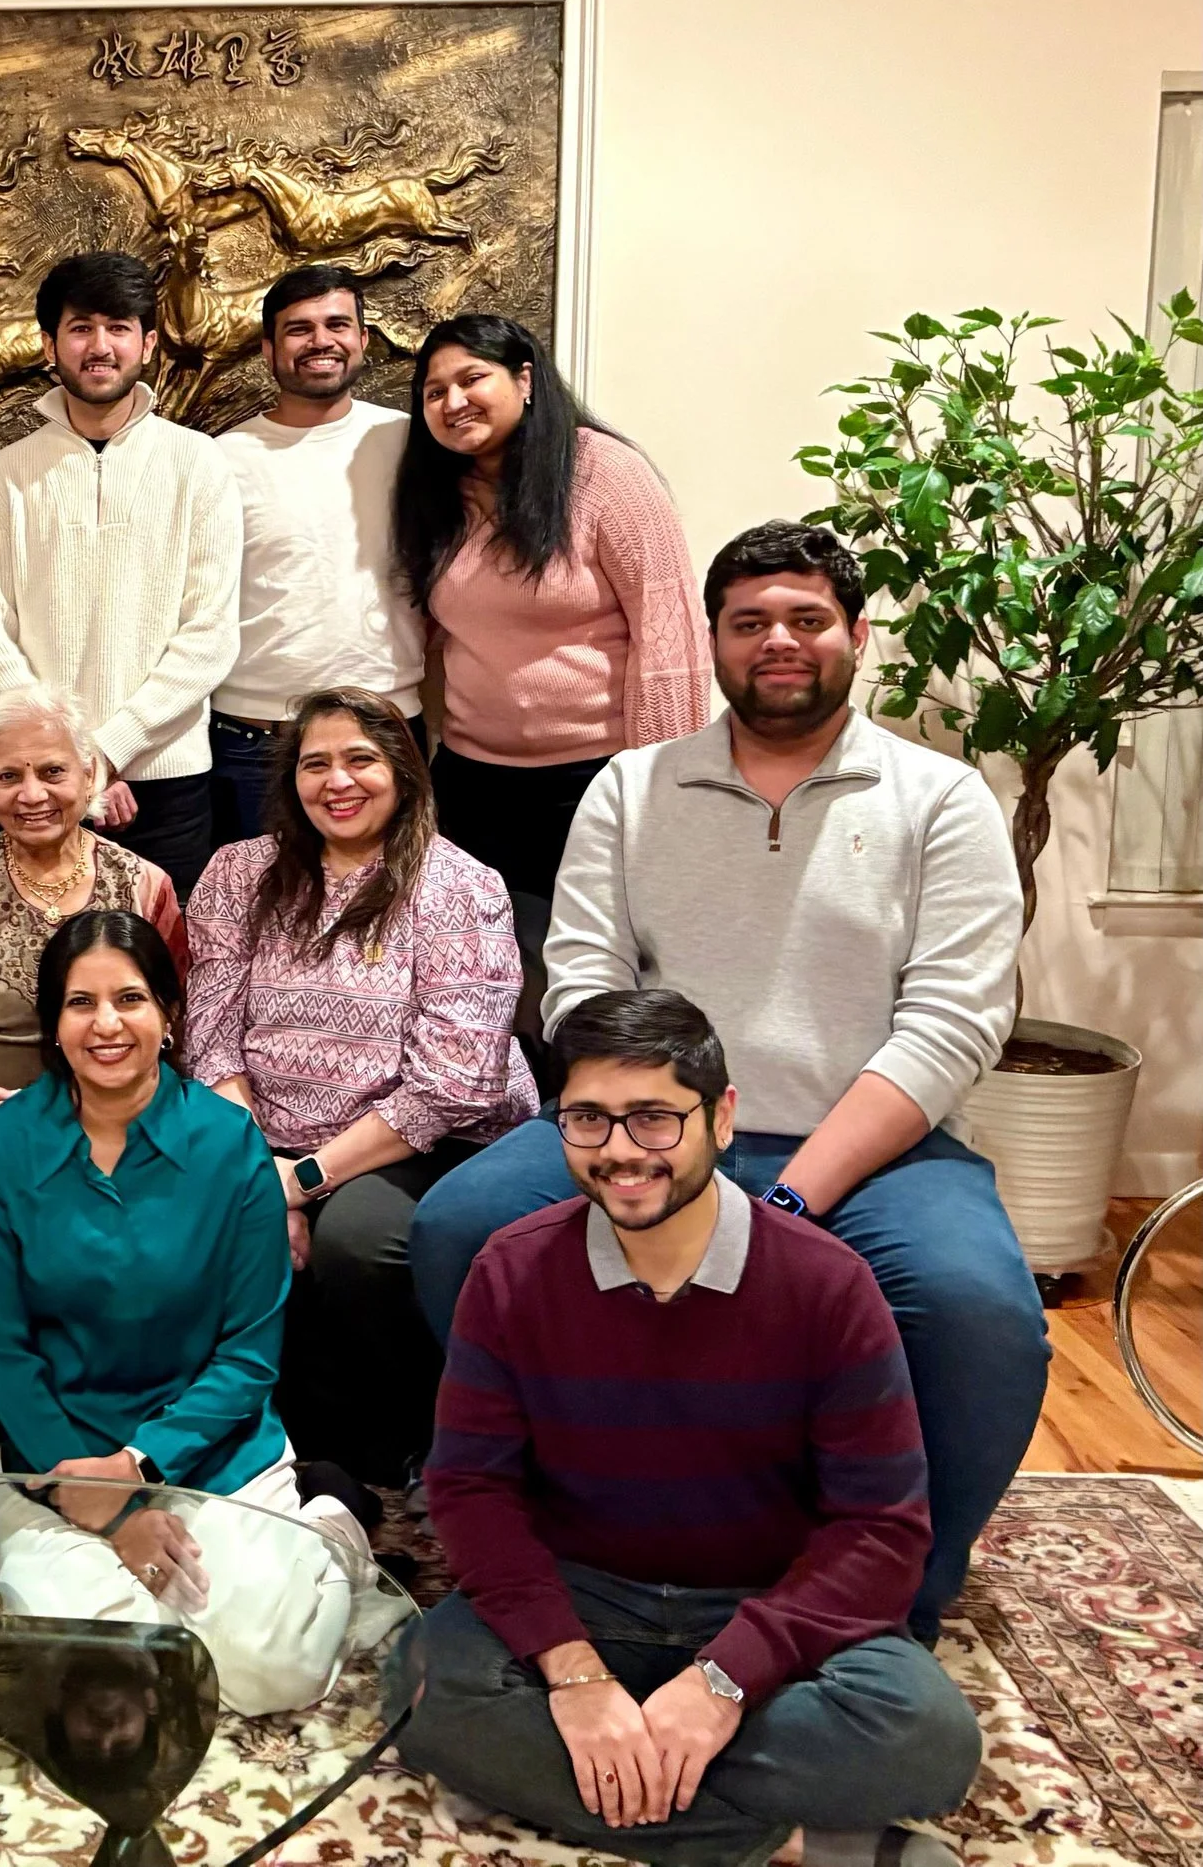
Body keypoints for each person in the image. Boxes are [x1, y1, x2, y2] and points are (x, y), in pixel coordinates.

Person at [411, 520, 1042, 1635]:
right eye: (749, 622)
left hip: (869, 1147)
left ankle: (887, 1597)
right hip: (644, 1128)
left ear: (856, 635)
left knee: (977, 1310)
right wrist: (641, 1134)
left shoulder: (939, 800)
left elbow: (951, 1023)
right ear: (712, 640)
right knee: (462, 1228)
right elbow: (582, 984)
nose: (778, 642)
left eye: (806, 619)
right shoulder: (632, 786)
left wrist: (787, 1201)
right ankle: (559, 1536)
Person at [391, 990, 980, 1867]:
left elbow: (881, 1531)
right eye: (588, 1118)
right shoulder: (510, 1271)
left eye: (655, 1118)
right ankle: (792, 1839)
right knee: (418, 1686)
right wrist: (575, 1674)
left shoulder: (830, 1285)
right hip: (583, 1595)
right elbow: (472, 1491)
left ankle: (585, 1786)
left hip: (763, 1601)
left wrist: (724, 1680)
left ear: (723, 1117)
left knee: (929, 1736)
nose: (621, 1151)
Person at [0, 910, 369, 1715]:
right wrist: (101, 1499)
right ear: (53, 1022)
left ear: (169, 1014)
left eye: (131, 998)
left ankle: (333, 1532)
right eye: (80, 1002)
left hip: (212, 1454)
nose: (107, 1024)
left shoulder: (229, 1142)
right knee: (101, 1676)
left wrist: (140, 1473)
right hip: (58, 1459)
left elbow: (248, 1353)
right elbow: (2, 1351)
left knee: (271, 1672)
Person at [186, 688, 534, 1485]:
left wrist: (300, 1185)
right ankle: (253, 1444)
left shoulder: (457, 884)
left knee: (356, 1240)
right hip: (262, 1138)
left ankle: (400, 1445)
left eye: (360, 759)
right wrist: (257, 1177)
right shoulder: (240, 873)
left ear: (403, 772)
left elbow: (454, 1082)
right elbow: (209, 1037)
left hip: (421, 1141)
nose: (337, 781)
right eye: (316, 763)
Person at [0, 685, 182, 1361]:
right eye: (8, 775)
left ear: (90, 775)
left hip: (111, 1114)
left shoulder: (146, 888)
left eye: (52, 771)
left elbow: (173, 1030)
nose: (31, 792)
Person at [394, 313, 709, 902]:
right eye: (434, 393)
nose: (453, 401)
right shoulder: (435, 497)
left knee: (601, 971)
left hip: (595, 778)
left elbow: (671, 639)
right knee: (487, 971)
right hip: (472, 782)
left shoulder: (605, 473)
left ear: (526, 380)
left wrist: (665, 787)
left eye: (472, 379)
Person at [0, 252, 242, 900]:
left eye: (119, 327)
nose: (99, 346)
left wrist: (107, 751)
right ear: (49, 344)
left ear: (147, 343)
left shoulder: (198, 465)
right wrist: (67, 764)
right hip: (37, 787)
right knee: (44, 974)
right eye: (81, 327)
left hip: (168, 780)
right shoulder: (3, 477)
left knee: (162, 976)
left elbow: (209, 635)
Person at [210, 266, 421, 843]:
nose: (320, 341)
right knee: (254, 920)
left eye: (337, 324)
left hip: (387, 733)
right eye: (298, 329)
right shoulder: (220, 459)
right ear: (268, 349)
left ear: (363, 339)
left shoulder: (408, 441)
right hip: (256, 740)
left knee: (388, 921)